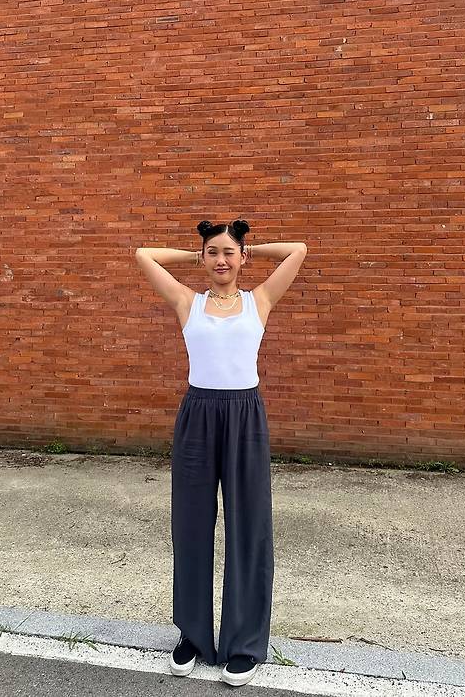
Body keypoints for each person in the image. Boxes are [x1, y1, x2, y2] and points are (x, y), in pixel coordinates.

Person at [134, 219, 307, 687]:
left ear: (242, 258)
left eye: (230, 252)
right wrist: (193, 255)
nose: (221, 260)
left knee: (249, 526)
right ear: (203, 258)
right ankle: (192, 634)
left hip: (245, 417)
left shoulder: (259, 301)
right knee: (191, 525)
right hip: (198, 416)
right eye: (212, 252)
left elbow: (298, 249)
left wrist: (250, 247)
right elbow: (143, 255)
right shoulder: (187, 302)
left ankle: (244, 642)